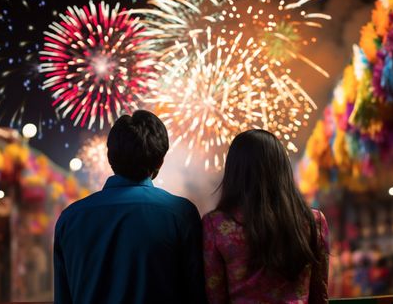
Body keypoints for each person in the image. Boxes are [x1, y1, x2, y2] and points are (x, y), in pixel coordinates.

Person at [54, 110, 207, 304]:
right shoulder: (180, 213)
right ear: (160, 161)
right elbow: (196, 294)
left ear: (110, 157)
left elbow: (63, 297)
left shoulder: (70, 218)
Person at [202, 129, 330, 304]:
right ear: (282, 169)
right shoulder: (313, 221)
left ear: (235, 172)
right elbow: (320, 295)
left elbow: (215, 297)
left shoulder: (216, 225)